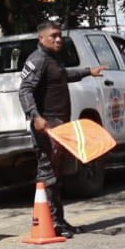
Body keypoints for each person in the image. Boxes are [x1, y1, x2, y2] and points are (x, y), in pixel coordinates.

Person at [19, 21, 104, 237]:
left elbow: (64, 76)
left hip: (60, 125)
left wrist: (88, 71)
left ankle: (59, 221)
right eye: (53, 36)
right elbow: (25, 90)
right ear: (41, 38)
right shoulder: (37, 59)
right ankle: (51, 223)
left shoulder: (53, 59)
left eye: (59, 36)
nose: (58, 39)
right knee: (48, 174)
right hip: (47, 126)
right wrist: (35, 116)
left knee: (58, 176)